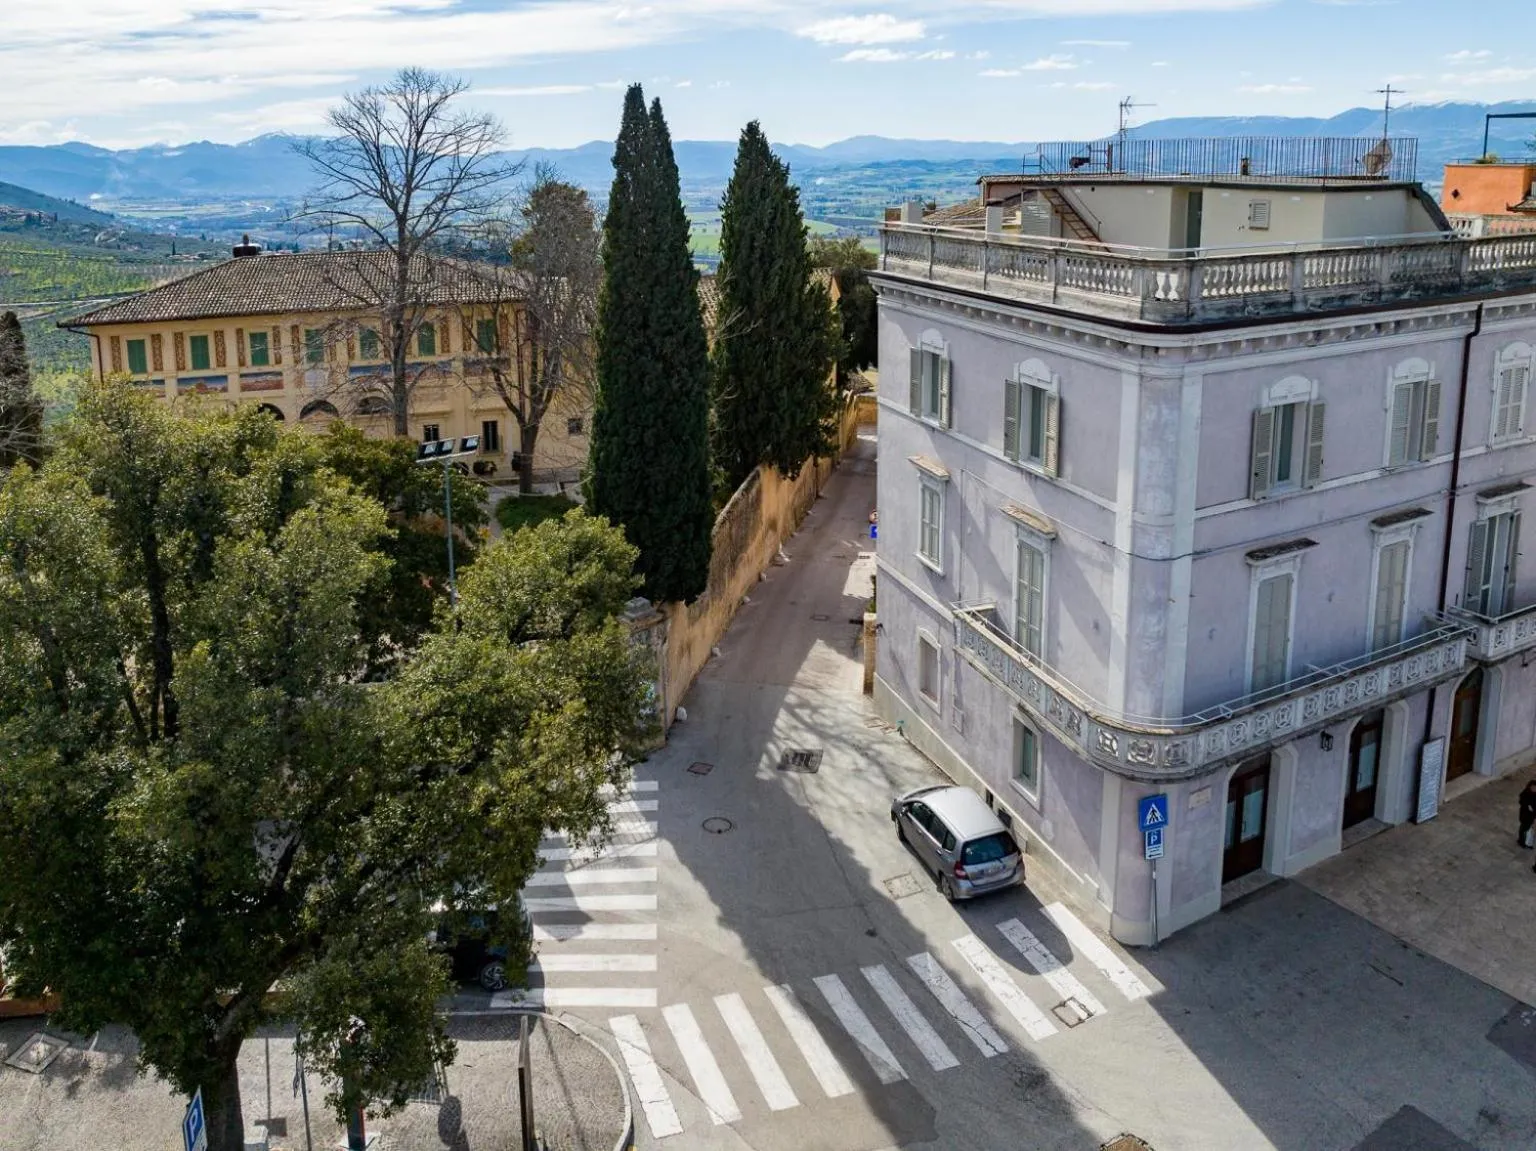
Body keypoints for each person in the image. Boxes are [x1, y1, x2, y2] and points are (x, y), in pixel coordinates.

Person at [1520, 780, 1536, 853]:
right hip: (1525, 815)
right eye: (1533, 787)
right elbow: (1521, 801)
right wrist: (1527, 806)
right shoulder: (1525, 793)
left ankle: (1528, 843)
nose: (1534, 789)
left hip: (1532, 816)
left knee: (1530, 830)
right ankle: (1522, 841)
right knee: (1523, 829)